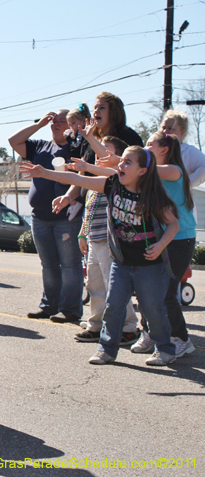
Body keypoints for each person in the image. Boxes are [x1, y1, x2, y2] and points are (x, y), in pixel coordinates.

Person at [21, 146, 180, 366]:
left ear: (142, 171)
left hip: (149, 264)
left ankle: (165, 349)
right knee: (113, 306)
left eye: (127, 162)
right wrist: (45, 172)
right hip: (121, 262)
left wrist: (161, 245)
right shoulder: (112, 185)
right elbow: (75, 178)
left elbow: (173, 224)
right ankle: (106, 350)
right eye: (121, 161)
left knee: (153, 309)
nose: (120, 165)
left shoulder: (152, 196)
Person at [9, 109, 84, 323]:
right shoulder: (41, 145)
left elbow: (82, 179)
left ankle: (70, 309)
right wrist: (39, 124)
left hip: (66, 217)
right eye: (54, 121)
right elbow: (13, 141)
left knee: (70, 265)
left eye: (62, 121)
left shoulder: (76, 148)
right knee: (48, 264)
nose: (56, 124)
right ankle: (49, 306)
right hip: (40, 217)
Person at [73, 134, 140, 345]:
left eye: (106, 151)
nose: (100, 155)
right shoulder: (95, 184)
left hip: (110, 241)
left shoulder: (117, 180)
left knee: (115, 287)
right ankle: (96, 324)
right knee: (94, 285)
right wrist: (83, 233)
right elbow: (88, 211)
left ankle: (129, 327)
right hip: (94, 239)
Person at [133, 132, 195, 358]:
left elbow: (139, 166)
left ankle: (182, 339)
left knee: (167, 292)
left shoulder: (174, 170)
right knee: (145, 289)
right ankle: (149, 333)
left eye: (150, 144)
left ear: (164, 150)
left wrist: (121, 159)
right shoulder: (149, 176)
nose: (146, 147)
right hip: (156, 237)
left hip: (180, 239)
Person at [159, 110, 205, 187]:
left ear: (182, 132)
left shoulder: (187, 151)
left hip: (175, 198)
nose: (165, 131)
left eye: (171, 128)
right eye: (163, 127)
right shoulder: (155, 148)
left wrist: (187, 185)